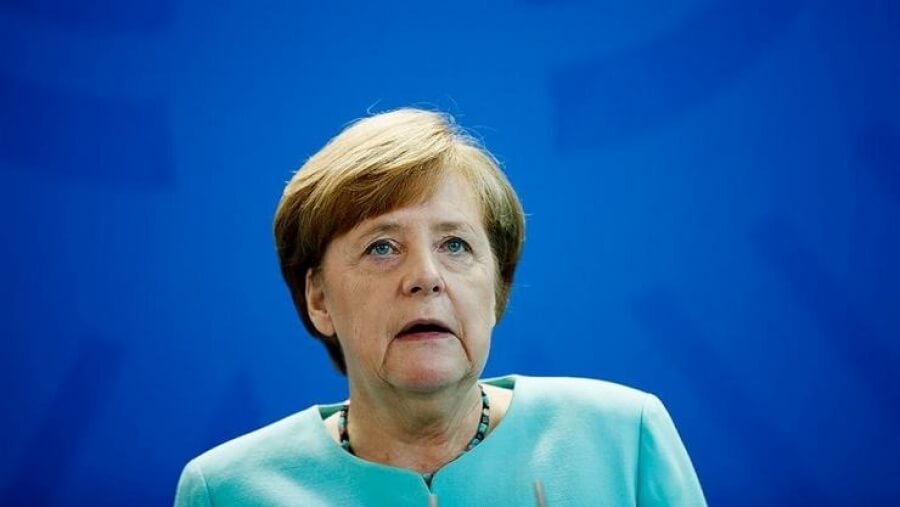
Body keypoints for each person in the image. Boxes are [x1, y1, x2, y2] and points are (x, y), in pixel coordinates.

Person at [174, 108, 707, 506]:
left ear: (496, 288)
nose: (426, 277)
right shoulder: (226, 490)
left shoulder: (623, 439)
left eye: (455, 244)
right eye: (382, 247)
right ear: (318, 299)